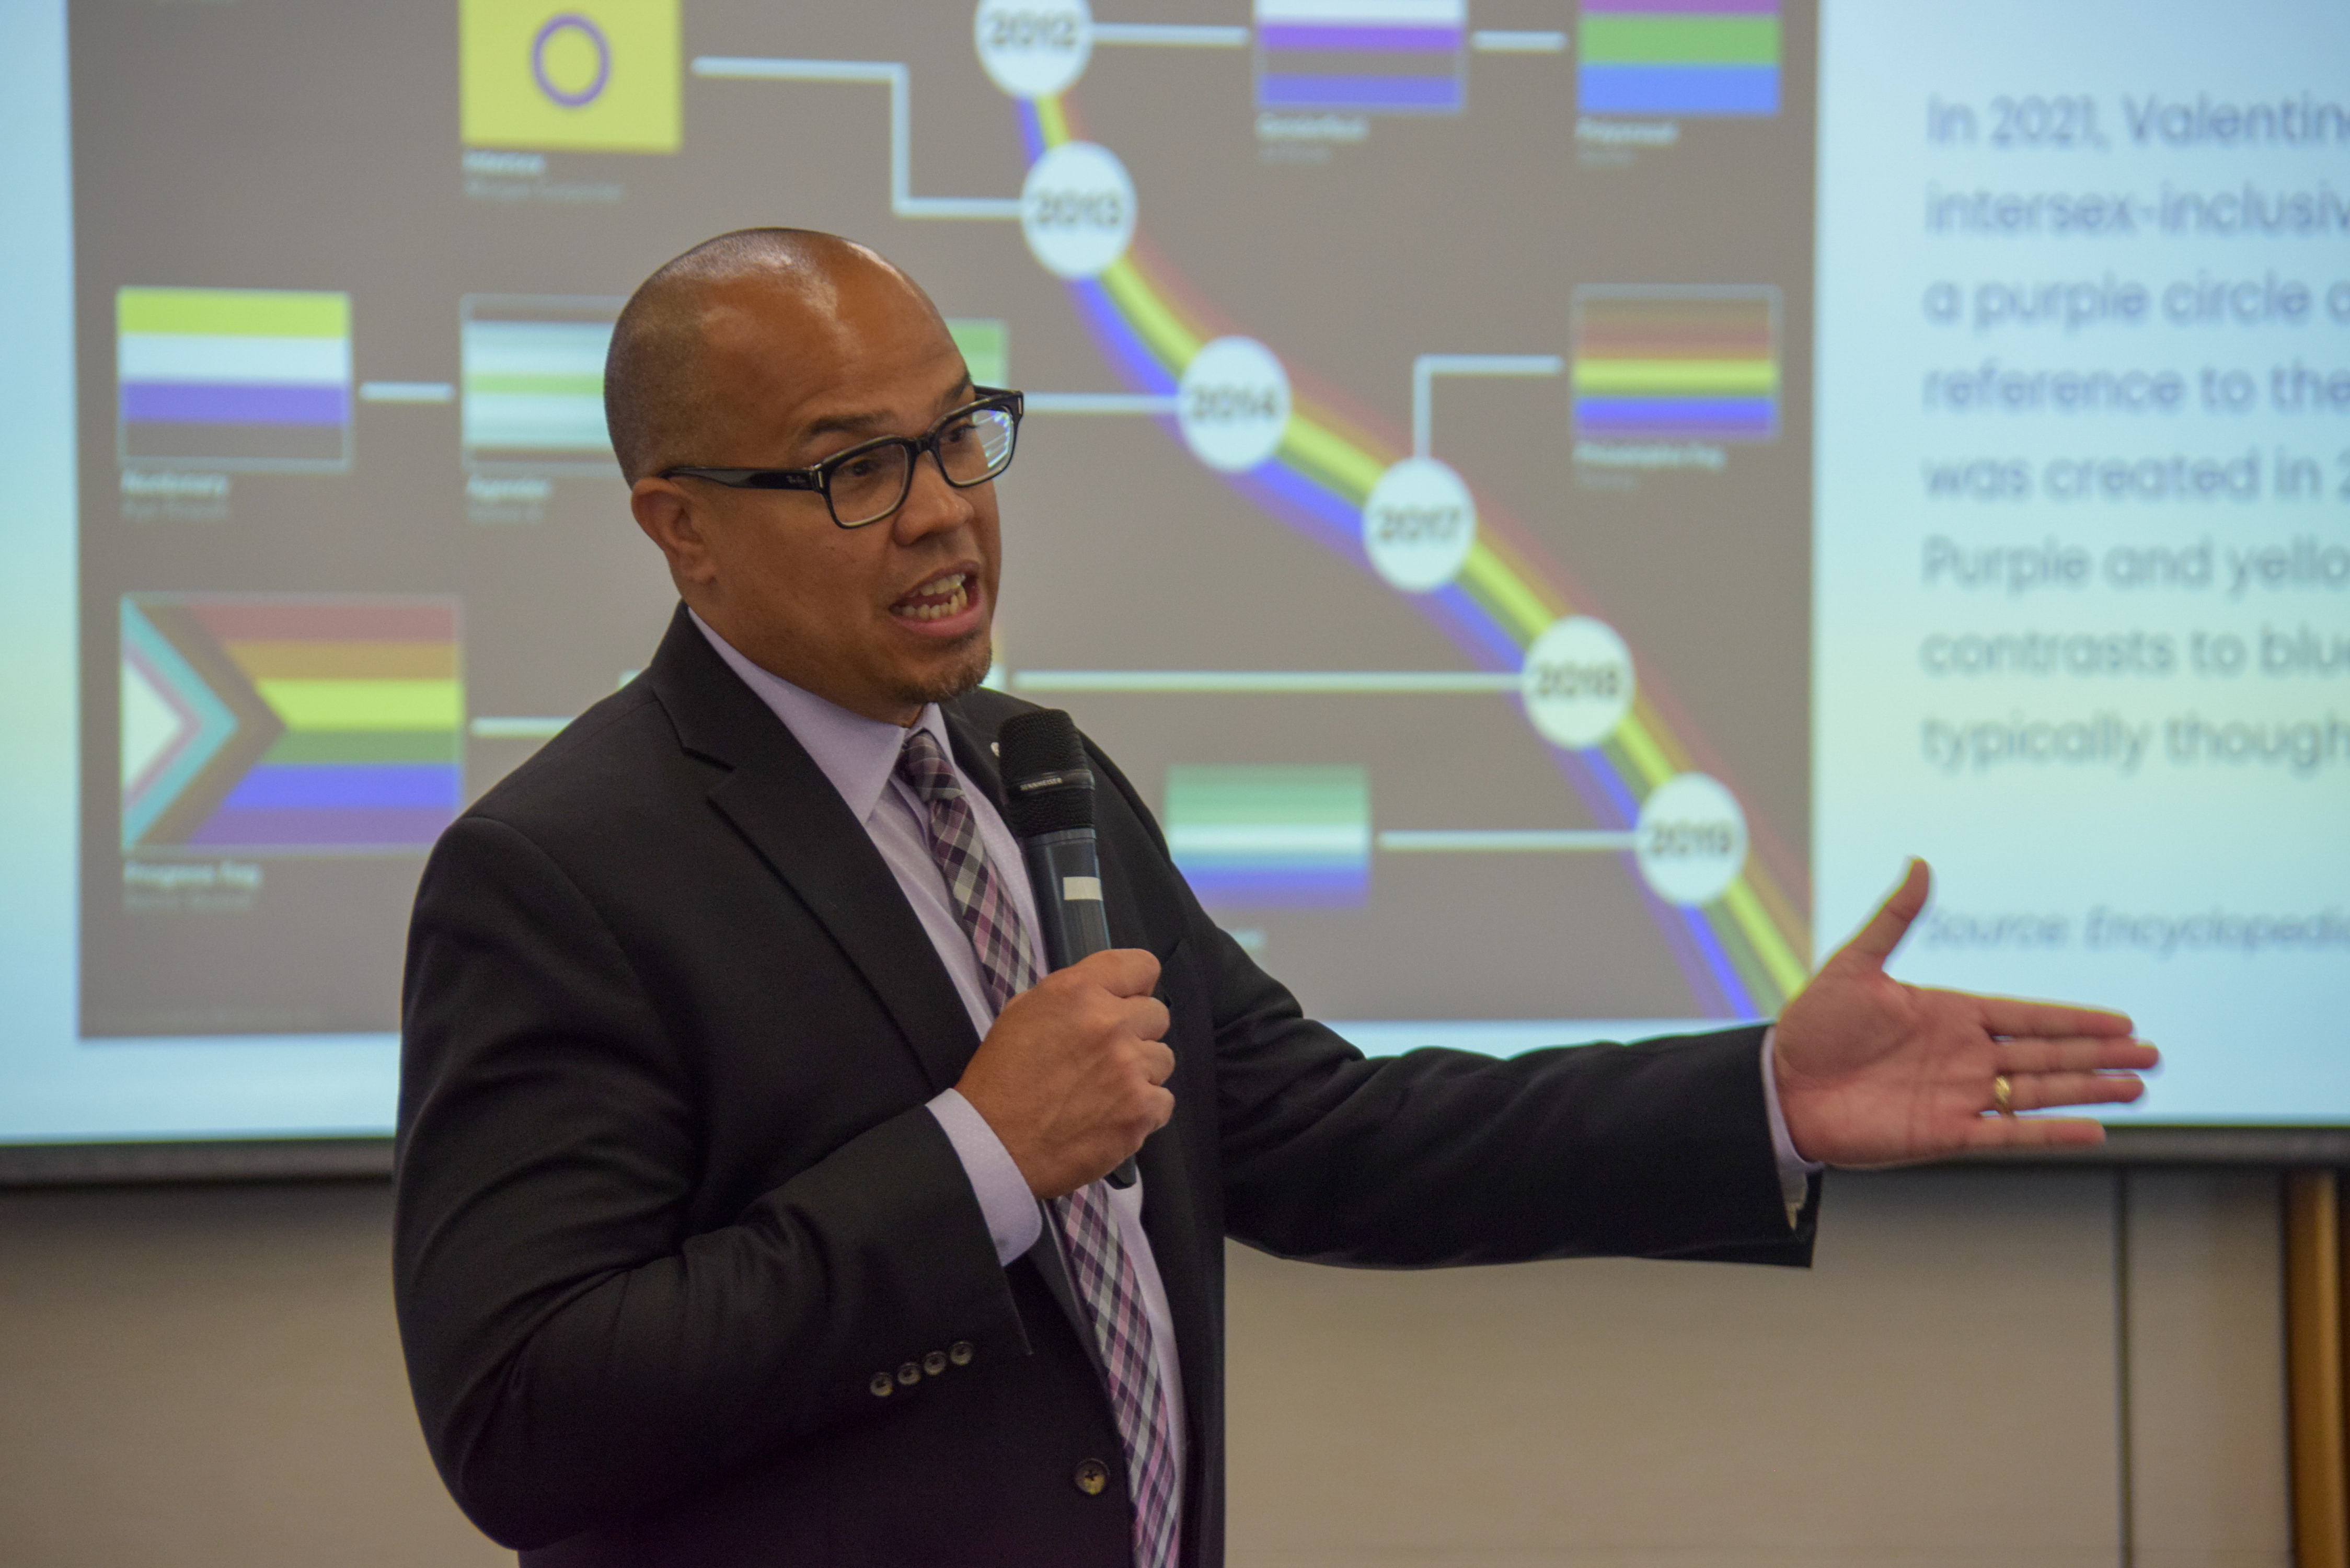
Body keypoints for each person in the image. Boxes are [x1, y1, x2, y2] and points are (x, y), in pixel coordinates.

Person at [393, 228, 2155, 1568]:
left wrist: (1764, 1095)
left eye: (961, 440)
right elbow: (527, 1415)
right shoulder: (561, 873)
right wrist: (983, 1158)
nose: (945, 519)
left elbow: (1329, 1138)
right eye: (860, 469)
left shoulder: (1033, 778)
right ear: (680, 526)